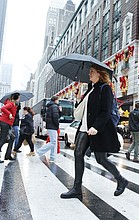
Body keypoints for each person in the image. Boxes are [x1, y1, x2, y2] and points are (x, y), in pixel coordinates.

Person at [60, 65, 128, 200]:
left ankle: (121, 180)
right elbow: (83, 110)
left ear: (100, 74)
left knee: (101, 159)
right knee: (78, 154)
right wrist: (79, 98)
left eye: (92, 72)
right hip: (84, 128)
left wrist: (96, 127)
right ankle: (76, 188)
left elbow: (106, 111)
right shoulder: (91, 89)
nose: (89, 74)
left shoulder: (105, 88)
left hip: (97, 130)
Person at [36, 96, 60, 162]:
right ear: (55, 100)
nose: (58, 102)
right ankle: (39, 151)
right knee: (53, 142)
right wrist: (57, 125)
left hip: (50, 126)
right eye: (58, 100)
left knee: (53, 142)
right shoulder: (54, 107)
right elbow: (55, 117)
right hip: (53, 126)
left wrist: (60, 112)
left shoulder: (50, 106)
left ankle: (52, 157)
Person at [0, 93, 20, 163]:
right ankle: (7, 155)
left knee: (12, 137)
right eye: (18, 98)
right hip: (5, 123)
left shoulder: (13, 105)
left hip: (8, 123)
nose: (19, 99)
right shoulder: (10, 104)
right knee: (3, 138)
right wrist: (9, 114)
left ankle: (8, 155)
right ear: (16, 98)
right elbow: (2, 108)